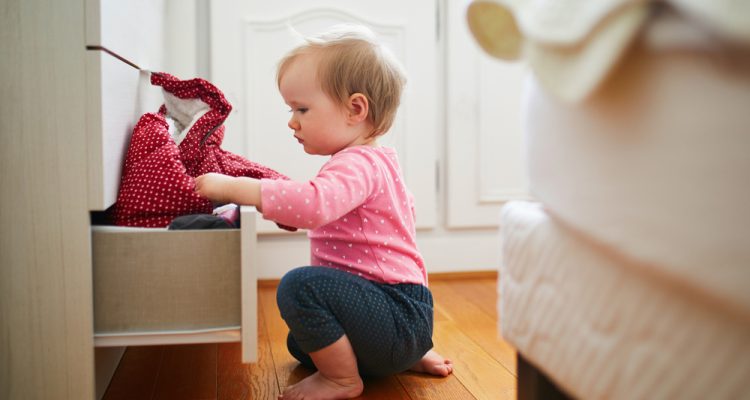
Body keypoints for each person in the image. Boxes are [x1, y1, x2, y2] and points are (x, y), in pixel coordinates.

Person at [195, 24, 452, 400]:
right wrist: (290, 210)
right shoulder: (379, 162)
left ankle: (344, 380)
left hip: (396, 313)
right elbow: (336, 209)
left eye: (302, 108)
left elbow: (314, 204)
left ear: (355, 109)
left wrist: (235, 187)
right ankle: (406, 355)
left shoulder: (356, 163)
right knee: (301, 343)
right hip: (403, 317)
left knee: (298, 287)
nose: (292, 121)